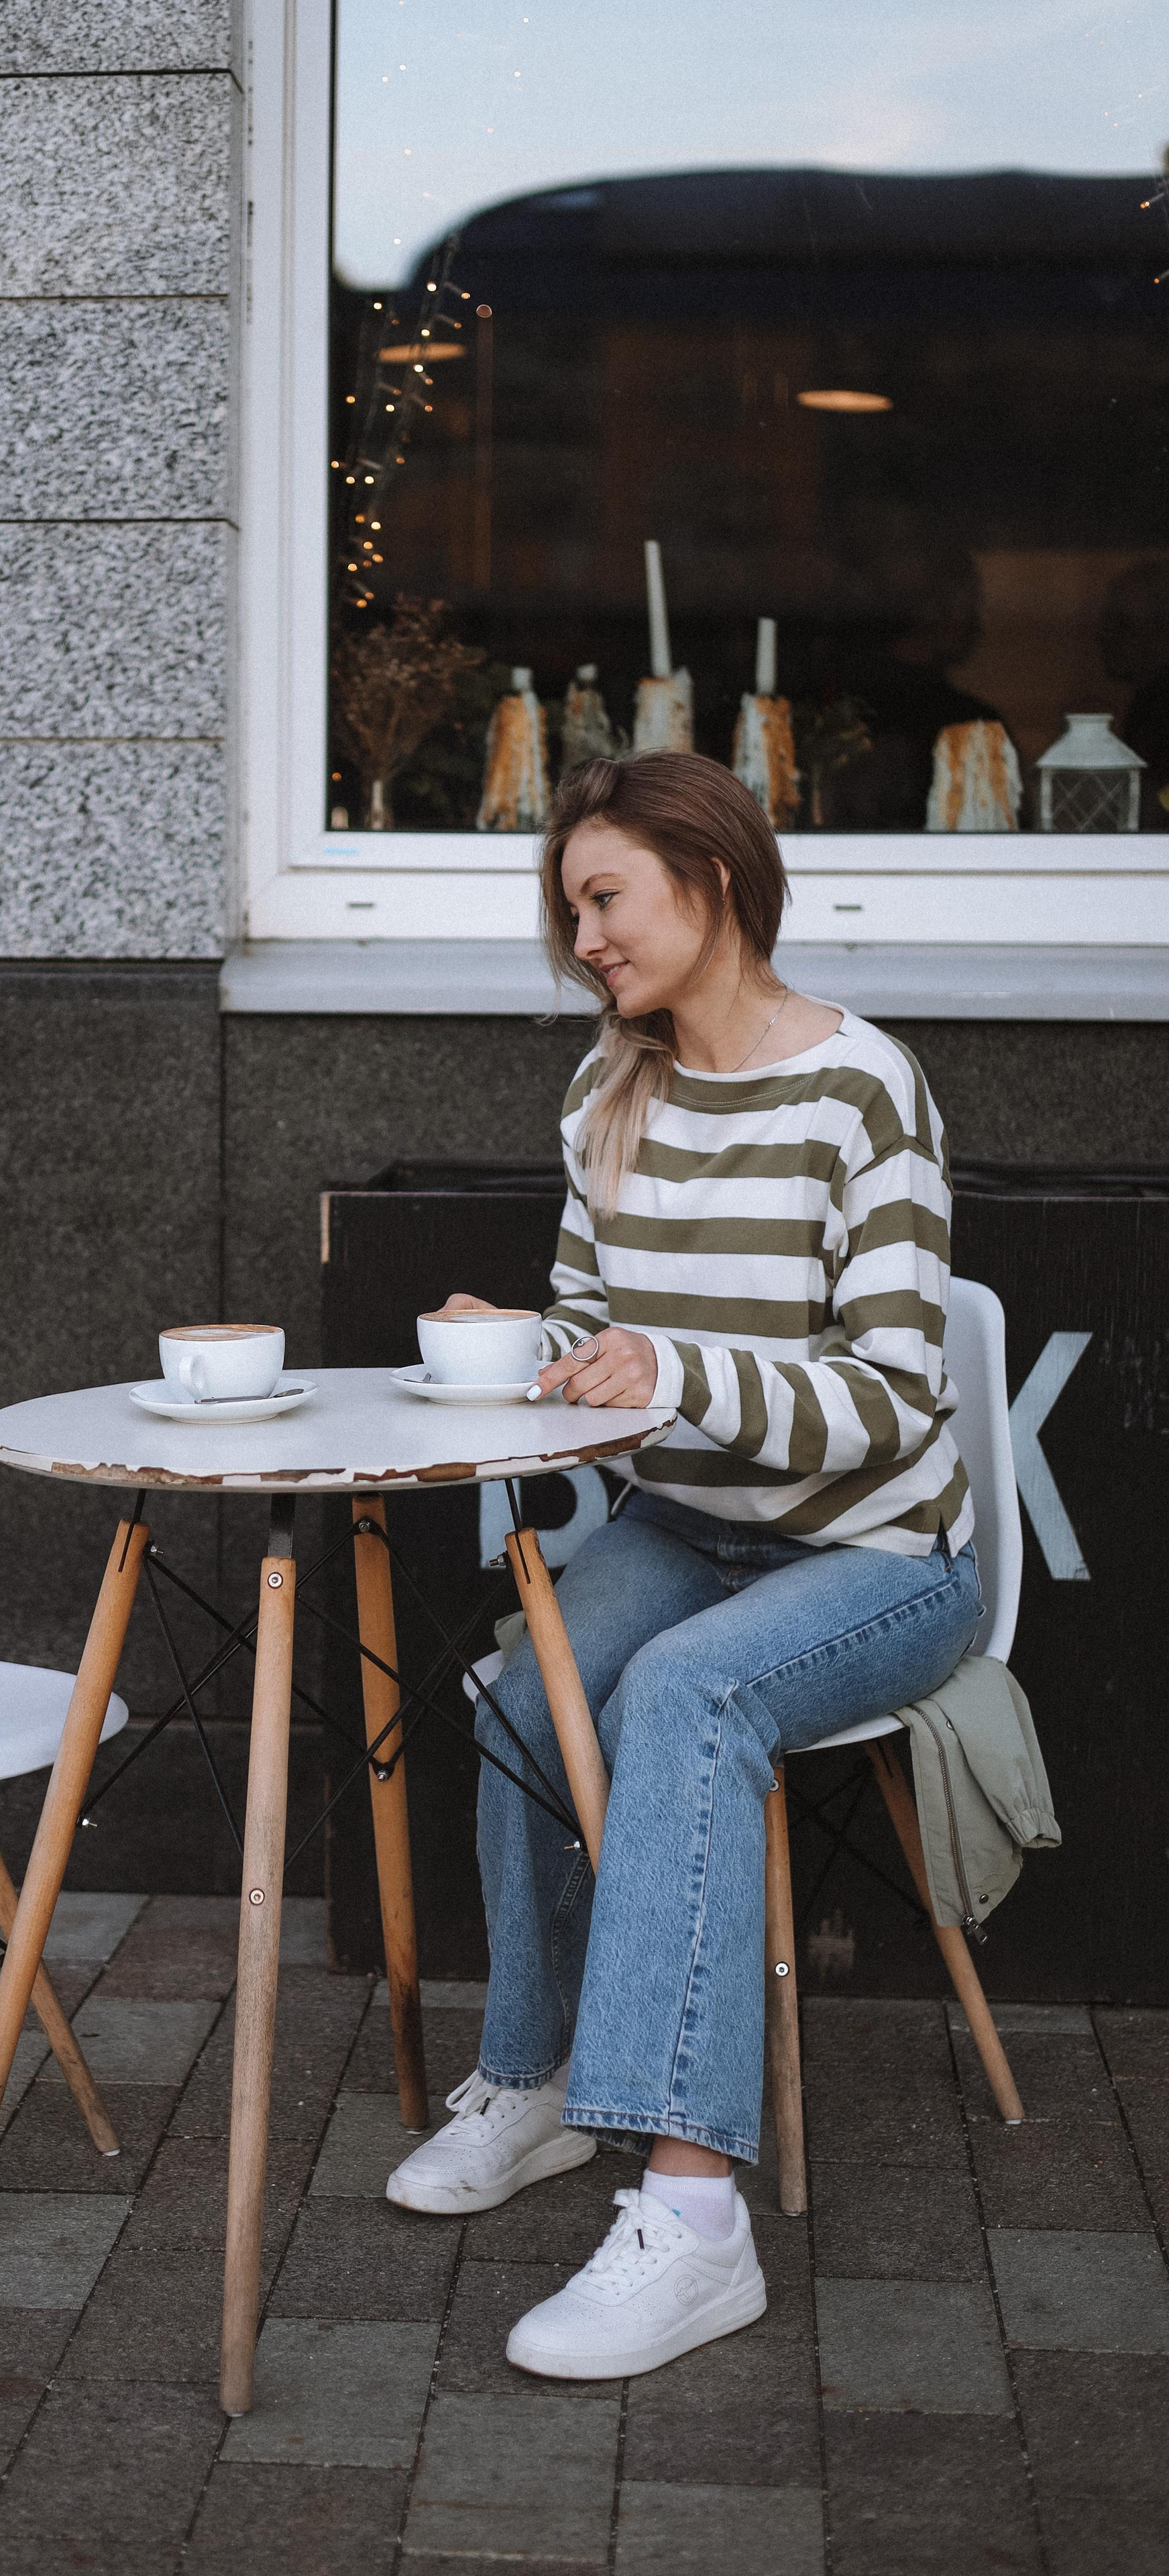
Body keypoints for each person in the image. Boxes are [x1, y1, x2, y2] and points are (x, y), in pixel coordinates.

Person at [386, 749, 981, 2380]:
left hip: (879, 1551)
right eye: (567, 911)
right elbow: (597, 1326)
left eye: (604, 900)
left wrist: (677, 1370)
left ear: (709, 881)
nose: (582, 939)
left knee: (684, 1693)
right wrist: (523, 1344)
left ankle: (692, 2217)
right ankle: (532, 2084)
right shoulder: (609, 1091)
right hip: (686, 1528)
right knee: (527, 1687)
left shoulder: (862, 1089)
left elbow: (893, 1395)